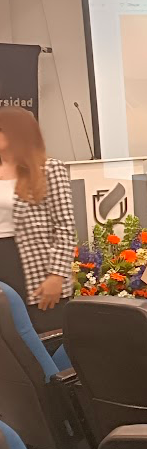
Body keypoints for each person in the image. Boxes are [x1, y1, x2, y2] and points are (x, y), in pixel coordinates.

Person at [0, 107, 75, 332]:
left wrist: (57, 275)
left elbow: (65, 226)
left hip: (34, 266)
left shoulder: (49, 169)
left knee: (42, 333)